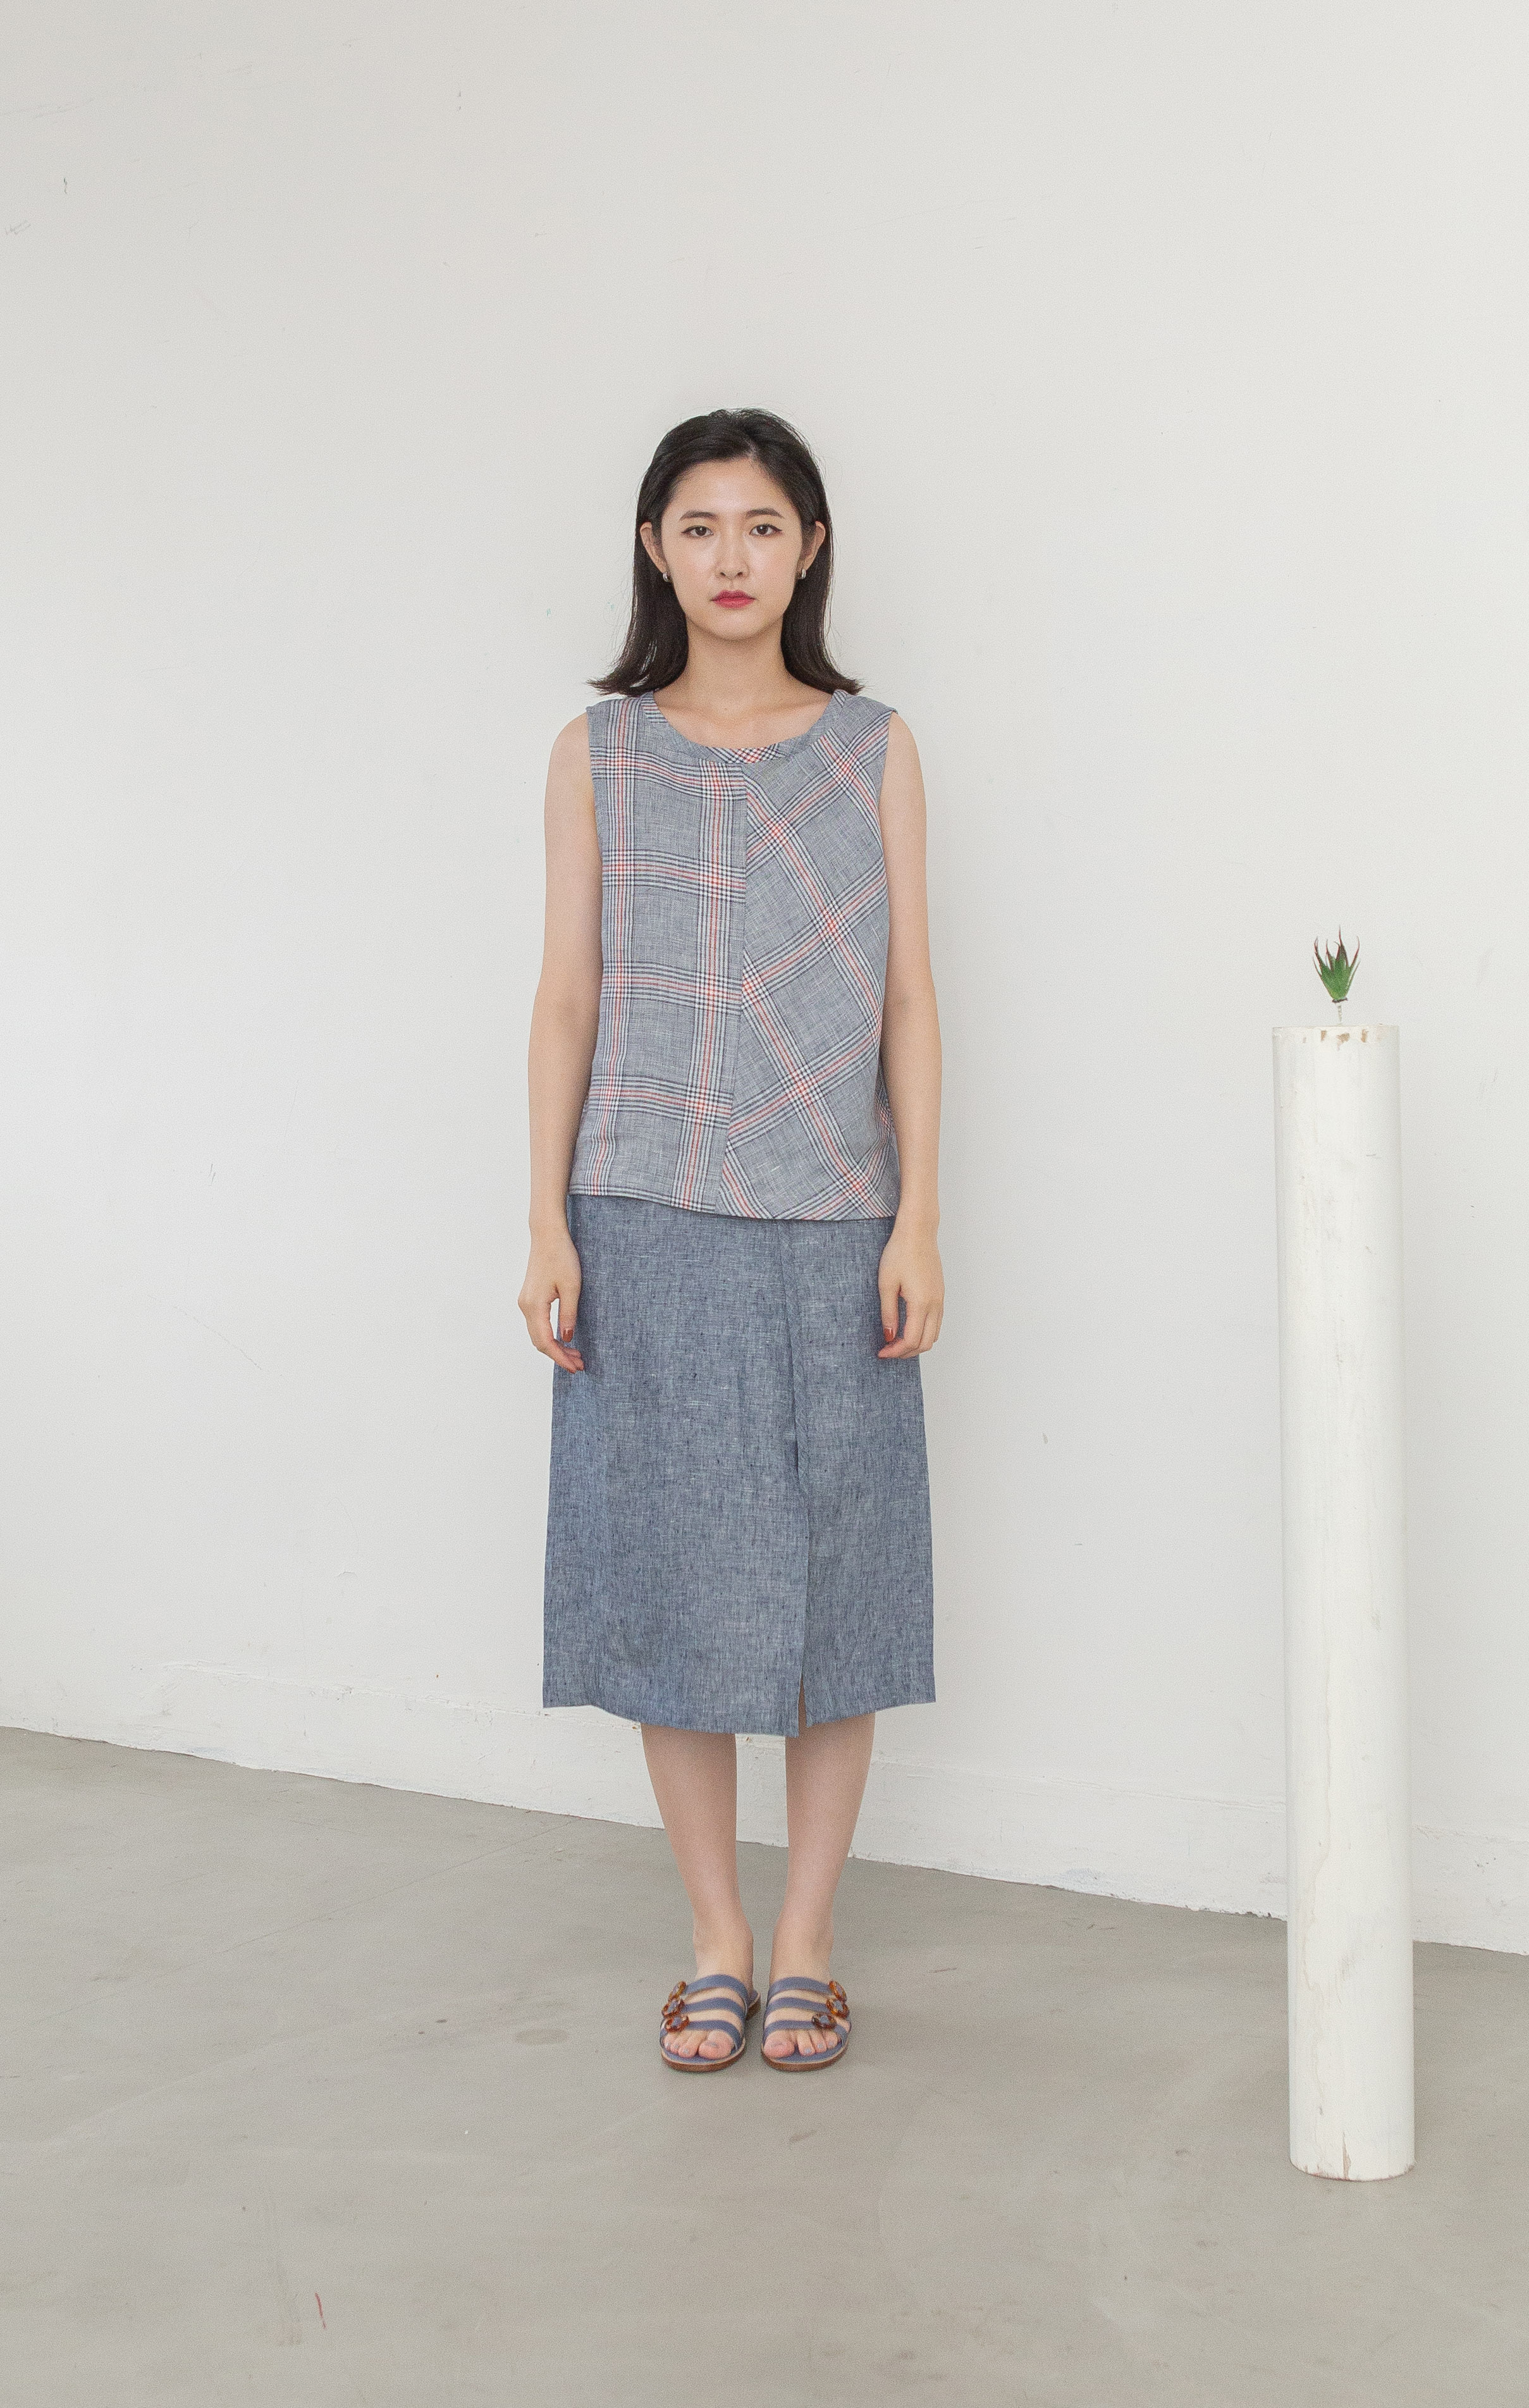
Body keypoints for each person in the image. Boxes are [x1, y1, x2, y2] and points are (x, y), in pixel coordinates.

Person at [519, 408, 942, 2073]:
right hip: (641, 1211)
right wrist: (545, 1219)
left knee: (840, 1593)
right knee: (672, 1590)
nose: (731, 559)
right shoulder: (599, 753)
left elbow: (908, 1000)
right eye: (698, 527)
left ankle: (809, 1947)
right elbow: (565, 997)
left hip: (835, 1216)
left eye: (761, 526)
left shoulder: (876, 748)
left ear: (809, 548)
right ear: (655, 550)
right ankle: (715, 1942)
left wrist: (919, 1216)